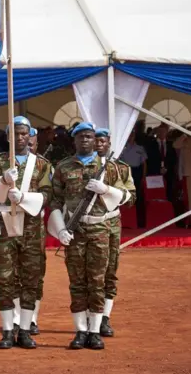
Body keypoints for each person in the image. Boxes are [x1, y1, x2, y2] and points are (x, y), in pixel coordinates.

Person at [47, 122, 135, 350]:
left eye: (89, 136)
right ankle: (80, 331)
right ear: (74, 140)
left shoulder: (111, 168)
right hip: (74, 231)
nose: (85, 140)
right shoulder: (63, 167)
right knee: (77, 282)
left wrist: (106, 190)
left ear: (96, 140)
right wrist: (60, 230)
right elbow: (55, 200)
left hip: (100, 229)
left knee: (97, 281)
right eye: (81, 137)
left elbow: (129, 197)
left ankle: (95, 331)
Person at [0, 116, 52, 349]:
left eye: (24, 133)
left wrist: (25, 198)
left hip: (32, 228)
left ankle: (25, 329)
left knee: (31, 278)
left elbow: (48, 194)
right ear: (8, 136)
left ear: (30, 135)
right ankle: (7, 330)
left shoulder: (42, 164)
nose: (20, 137)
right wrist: (4, 181)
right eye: (16, 133)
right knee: (4, 278)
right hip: (6, 226)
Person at [94, 128, 135, 337]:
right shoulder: (83, 167)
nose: (100, 144)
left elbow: (131, 197)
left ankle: (105, 318)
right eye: (96, 141)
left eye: (103, 141)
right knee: (89, 274)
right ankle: (90, 318)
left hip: (111, 225)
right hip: (88, 225)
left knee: (110, 271)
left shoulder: (121, 169)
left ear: (109, 143)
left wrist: (109, 191)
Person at [120, 130, 147, 227]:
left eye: (132, 135)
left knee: (138, 196)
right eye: (129, 134)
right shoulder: (122, 147)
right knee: (125, 195)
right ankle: (126, 220)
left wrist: (143, 177)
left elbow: (144, 164)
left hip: (137, 172)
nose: (131, 136)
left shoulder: (140, 148)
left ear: (135, 136)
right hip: (125, 171)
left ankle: (139, 221)